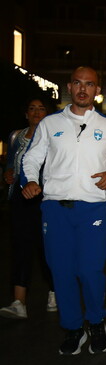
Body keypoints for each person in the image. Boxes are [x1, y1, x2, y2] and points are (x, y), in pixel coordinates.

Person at [21, 66, 106, 355]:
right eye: (77, 83)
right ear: (69, 87)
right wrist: (31, 181)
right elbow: (32, 157)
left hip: (92, 209)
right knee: (61, 272)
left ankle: (96, 322)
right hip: (55, 209)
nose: (83, 89)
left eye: (90, 84)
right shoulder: (49, 123)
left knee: (89, 271)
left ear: (98, 91)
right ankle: (72, 328)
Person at [0, 98, 56, 319]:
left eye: (41, 109)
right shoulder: (16, 136)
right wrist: (8, 174)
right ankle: (19, 302)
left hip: (46, 200)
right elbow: (11, 165)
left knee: (46, 248)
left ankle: (55, 291)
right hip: (20, 201)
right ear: (26, 114)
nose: (36, 112)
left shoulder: (55, 137)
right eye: (31, 108)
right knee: (21, 247)